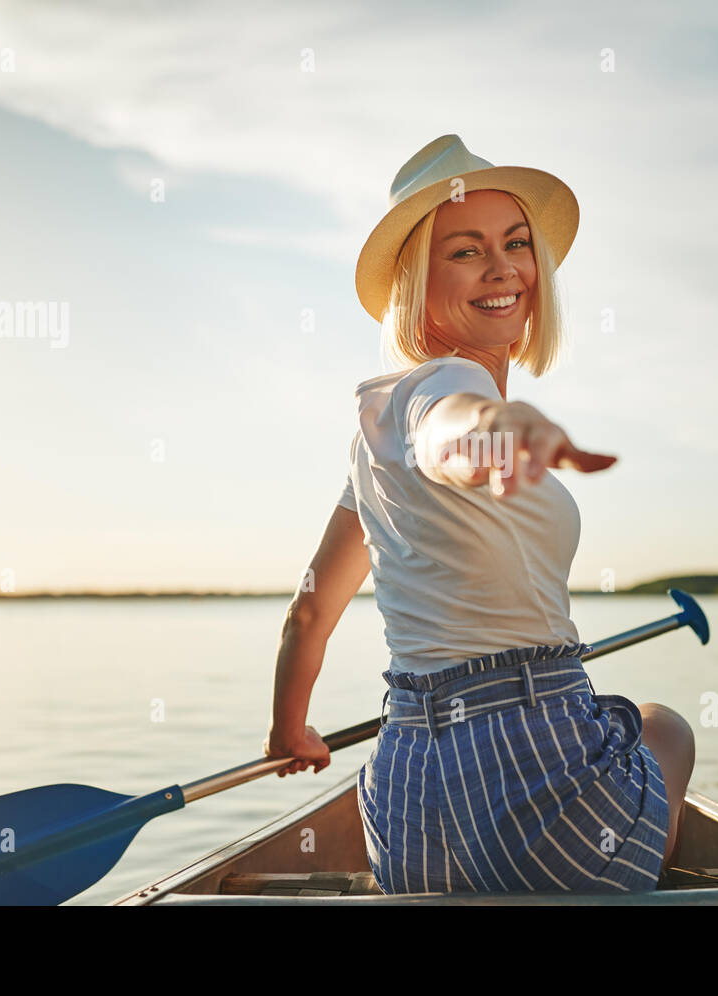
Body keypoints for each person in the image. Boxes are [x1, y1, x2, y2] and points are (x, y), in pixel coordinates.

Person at [263, 135, 695, 893]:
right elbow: (451, 430)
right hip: (539, 784)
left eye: (517, 243)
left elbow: (307, 614)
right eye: (466, 251)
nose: (503, 269)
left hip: (405, 809)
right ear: (415, 281)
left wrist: (289, 731)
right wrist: (500, 433)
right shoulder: (449, 393)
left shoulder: (372, 439)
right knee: (664, 727)